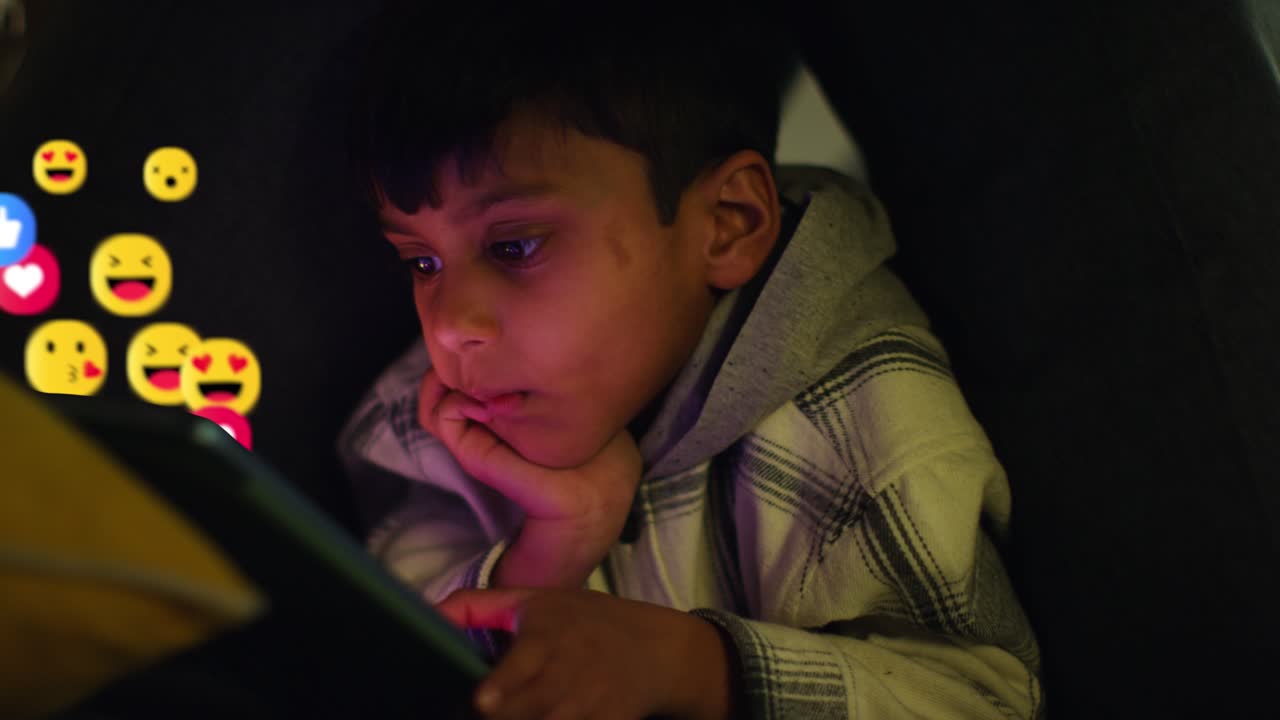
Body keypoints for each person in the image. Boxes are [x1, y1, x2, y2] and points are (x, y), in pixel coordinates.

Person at [339, 2, 1042, 717]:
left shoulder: (864, 427)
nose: (452, 326)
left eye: (514, 246)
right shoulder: (443, 421)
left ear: (726, 226)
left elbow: (987, 700)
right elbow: (387, 670)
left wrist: (691, 666)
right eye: (421, 261)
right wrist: (560, 539)